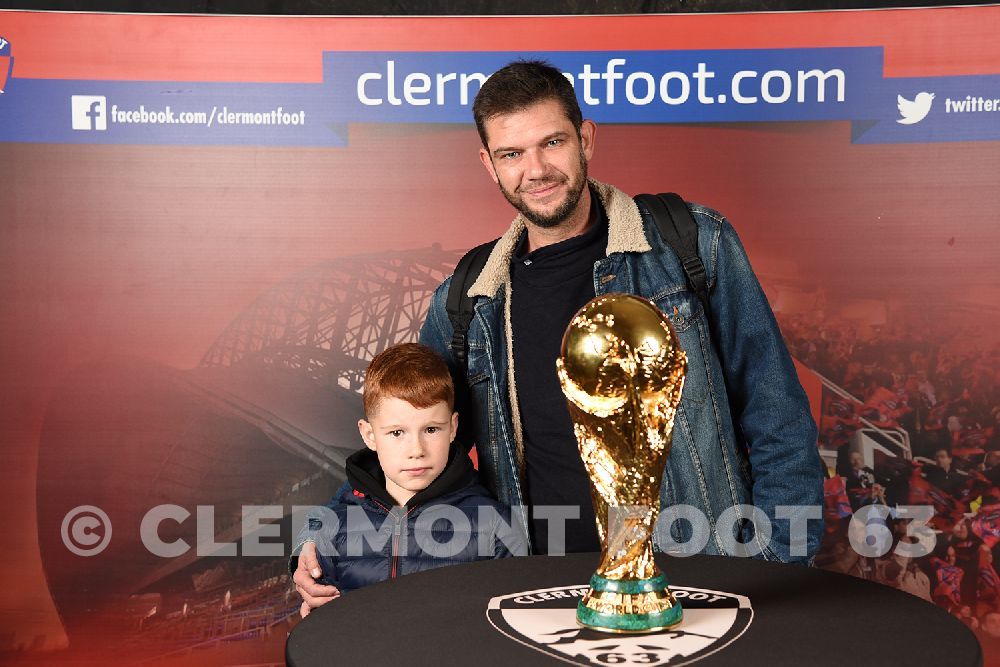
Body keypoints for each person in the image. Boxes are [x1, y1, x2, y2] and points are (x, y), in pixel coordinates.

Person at [296, 59, 824, 612]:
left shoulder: (691, 245)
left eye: (552, 143)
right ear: (489, 165)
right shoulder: (469, 300)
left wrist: (774, 565)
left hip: (693, 579)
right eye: (511, 154)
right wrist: (316, 542)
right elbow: (405, 433)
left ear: (585, 139)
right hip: (536, 594)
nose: (537, 170)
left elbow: (777, 416)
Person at [292, 343, 525, 617]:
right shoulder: (333, 527)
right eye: (397, 433)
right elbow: (322, 621)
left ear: (453, 428)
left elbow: (512, 623)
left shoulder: (494, 525)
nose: (416, 450)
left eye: (431, 429)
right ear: (369, 435)